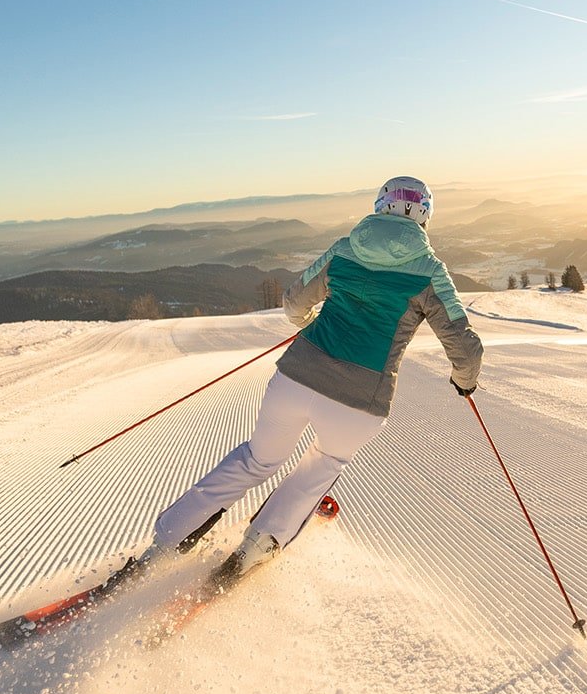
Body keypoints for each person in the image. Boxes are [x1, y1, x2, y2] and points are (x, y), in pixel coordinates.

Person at [143, 177, 483, 574]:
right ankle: (258, 546)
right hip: (360, 398)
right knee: (322, 465)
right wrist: (464, 382)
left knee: (257, 459)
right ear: (425, 215)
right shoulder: (430, 272)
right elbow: (466, 348)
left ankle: (169, 538)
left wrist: (305, 321)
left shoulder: (345, 249)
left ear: (380, 205)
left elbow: (293, 301)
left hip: (296, 377)